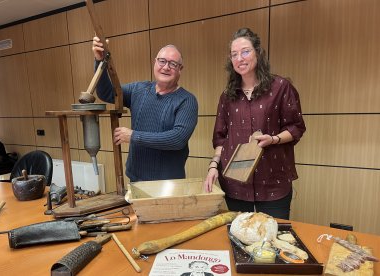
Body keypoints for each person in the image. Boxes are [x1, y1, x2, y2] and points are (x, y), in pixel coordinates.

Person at [204, 28, 306, 220]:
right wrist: (212, 167)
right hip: (235, 182)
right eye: (234, 54)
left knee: (270, 239)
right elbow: (220, 138)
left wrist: (274, 139)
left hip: (273, 182)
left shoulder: (280, 87)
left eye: (245, 51)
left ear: (258, 53)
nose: (239, 58)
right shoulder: (227, 96)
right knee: (239, 237)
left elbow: (296, 127)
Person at [92, 37, 198, 182]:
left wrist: (133, 136)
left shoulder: (187, 100)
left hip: (170, 185)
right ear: (155, 62)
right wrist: (100, 61)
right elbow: (106, 92)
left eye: (173, 64)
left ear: (180, 69)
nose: (166, 67)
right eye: (162, 61)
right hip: (136, 180)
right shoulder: (138, 90)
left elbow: (177, 139)